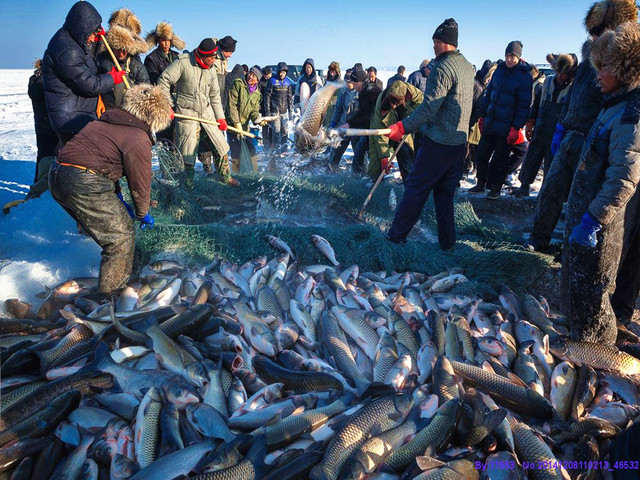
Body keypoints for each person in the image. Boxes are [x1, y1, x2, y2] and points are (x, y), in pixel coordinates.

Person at [525, 0, 637, 252]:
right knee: (550, 190)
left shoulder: (618, 70)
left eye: (598, 32)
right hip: (568, 137)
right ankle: (537, 239)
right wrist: (561, 126)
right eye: (593, 33)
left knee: (580, 199)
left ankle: (571, 249)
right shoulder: (588, 64)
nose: (593, 37)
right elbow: (572, 96)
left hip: (592, 142)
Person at [49, 84, 172, 294]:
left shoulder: (105, 121)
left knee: (106, 228)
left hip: (58, 175)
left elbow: (103, 160)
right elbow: (140, 182)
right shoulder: (138, 138)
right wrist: (143, 213)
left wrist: (118, 198)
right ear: (155, 117)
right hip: (83, 182)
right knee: (120, 238)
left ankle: (107, 276)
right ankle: (110, 300)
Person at [562, 21, 640, 345]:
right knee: (580, 291)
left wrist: (594, 219)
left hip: (601, 226)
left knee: (595, 294)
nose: (597, 74)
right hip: (586, 214)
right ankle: (583, 341)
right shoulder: (612, 106)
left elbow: (625, 176)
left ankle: (601, 353)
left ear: (625, 69)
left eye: (604, 67)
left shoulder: (629, 116)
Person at [385, 18, 474, 249]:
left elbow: (429, 107)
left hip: (438, 142)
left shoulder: (442, 67)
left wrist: (403, 126)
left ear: (448, 42)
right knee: (444, 196)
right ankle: (448, 244)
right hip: (458, 144)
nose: (434, 45)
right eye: (434, 40)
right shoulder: (466, 66)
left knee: (415, 190)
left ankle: (395, 238)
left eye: (438, 41)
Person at [42, 1, 126, 145]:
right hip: (71, 120)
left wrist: (98, 41)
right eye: (92, 34)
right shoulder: (67, 51)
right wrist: (112, 78)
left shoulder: (72, 39)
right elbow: (90, 85)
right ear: (82, 28)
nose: (93, 37)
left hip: (77, 114)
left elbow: (89, 61)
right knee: (80, 161)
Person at [158, 38, 237, 188]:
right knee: (188, 156)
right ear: (202, 55)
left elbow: (214, 96)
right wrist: (167, 104)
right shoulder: (183, 63)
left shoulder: (212, 69)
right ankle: (187, 187)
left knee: (220, 147)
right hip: (187, 115)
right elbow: (164, 80)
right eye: (212, 57)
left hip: (207, 116)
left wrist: (220, 117)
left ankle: (225, 177)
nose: (214, 60)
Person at [469, 40, 533, 199]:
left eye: (513, 56)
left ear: (518, 57)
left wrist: (516, 126)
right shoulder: (499, 71)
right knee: (482, 154)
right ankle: (481, 183)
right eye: (507, 55)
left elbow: (524, 104)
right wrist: (483, 116)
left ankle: (496, 188)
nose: (510, 59)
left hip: (507, 126)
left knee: (500, 159)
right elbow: (488, 94)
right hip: (491, 121)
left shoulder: (524, 75)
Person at [512, 53, 578, 197]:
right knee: (531, 158)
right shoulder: (547, 82)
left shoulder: (573, 88)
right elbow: (536, 104)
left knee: (551, 164)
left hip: (557, 133)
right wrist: (530, 122)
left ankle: (544, 192)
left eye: (564, 73)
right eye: (558, 72)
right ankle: (524, 186)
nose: (560, 76)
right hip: (541, 128)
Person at [368, 81, 424, 182]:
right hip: (383, 130)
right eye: (391, 102)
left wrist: (411, 119)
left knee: (406, 156)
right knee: (376, 160)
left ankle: (409, 186)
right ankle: (374, 181)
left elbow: (421, 103)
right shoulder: (381, 105)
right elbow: (380, 133)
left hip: (403, 129)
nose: (393, 106)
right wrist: (384, 157)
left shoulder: (411, 92)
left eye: (396, 103)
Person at [333, 65, 382, 174]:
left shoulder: (371, 91)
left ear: (359, 82)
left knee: (372, 157)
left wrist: (349, 124)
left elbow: (365, 114)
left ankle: (374, 179)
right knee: (359, 154)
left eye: (354, 84)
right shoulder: (364, 91)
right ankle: (359, 177)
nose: (354, 87)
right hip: (368, 130)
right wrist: (349, 124)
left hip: (375, 130)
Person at [97, 9, 149, 109]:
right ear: (112, 46)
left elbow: (146, 89)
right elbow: (94, 84)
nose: (121, 53)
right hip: (107, 112)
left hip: (128, 113)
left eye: (124, 49)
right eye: (117, 49)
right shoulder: (102, 61)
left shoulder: (136, 65)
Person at [144, 21, 184, 143]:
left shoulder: (177, 57)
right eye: (163, 40)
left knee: (178, 137)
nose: (166, 43)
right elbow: (153, 81)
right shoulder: (151, 58)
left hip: (178, 101)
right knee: (165, 138)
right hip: (162, 100)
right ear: (158, 40)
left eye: (168, 40)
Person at [227, 66, 266, 172]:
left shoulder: (257, 94)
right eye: (250, 74)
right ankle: (235, 173)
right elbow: (232, 105)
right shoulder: (238, 84)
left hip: (244, 127)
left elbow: (254, 110)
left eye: (254, 76)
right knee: (235, 150)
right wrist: (236, 123)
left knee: (251, 149)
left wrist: (257, 119)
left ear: (257, 80)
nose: (250, 77)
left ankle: (254, 173)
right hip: (232, 125)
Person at [27, 59, 58, 196]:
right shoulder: (37, 78)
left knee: (54, 159)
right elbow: (34, 92)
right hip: (45, 128)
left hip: (55, 126)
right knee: (44, 159)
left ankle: (47, 190)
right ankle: (37, 191)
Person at [465, 60, 496, 177]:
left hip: (476, 121)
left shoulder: (479, 84)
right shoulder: (478, 87)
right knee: (471, 146)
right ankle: (469, 168)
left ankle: (470, 168)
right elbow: (476, 106)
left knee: (472, 146)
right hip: (474, 121)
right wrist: (472, 122)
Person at [328, 71, 359, 167]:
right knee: (337, 151)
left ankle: (360, 172)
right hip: (343, 126)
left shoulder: (359, 93)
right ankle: (331, 168)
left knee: (359, 153)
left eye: (349, 82)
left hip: (356, 129)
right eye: (346, 82)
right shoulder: (343, 92)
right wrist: (333, 123)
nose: (347, 84)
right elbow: (338, 110)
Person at [265, 62, 294, 153]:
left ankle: (284, 150)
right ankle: (276, 151)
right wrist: (268, 111)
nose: (282, 74)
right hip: (275, 111)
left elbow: (289, 98)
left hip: (284, 111)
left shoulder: (287, 82)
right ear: (278, 72)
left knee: (285, 132)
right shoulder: (272, 81)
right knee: (276, 132)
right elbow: (267, 97)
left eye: (284, 72)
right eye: (281, 72)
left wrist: (290, 111)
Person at [323, 61, 341, 129]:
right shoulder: (327, 82)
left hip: (335, 109)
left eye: (334, 71)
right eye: (331, 71)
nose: (332, 73)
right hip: (327, 109)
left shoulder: (340, 83)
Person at [260, 66, 273, 150]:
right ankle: (266, 144)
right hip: (264, 108)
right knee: (265, 127)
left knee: (272, 127)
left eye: (268, 75)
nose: (267, 77)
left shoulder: (273, 81)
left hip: (272, 107)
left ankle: (272, 144)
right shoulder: (261, 82)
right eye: (265, 75)